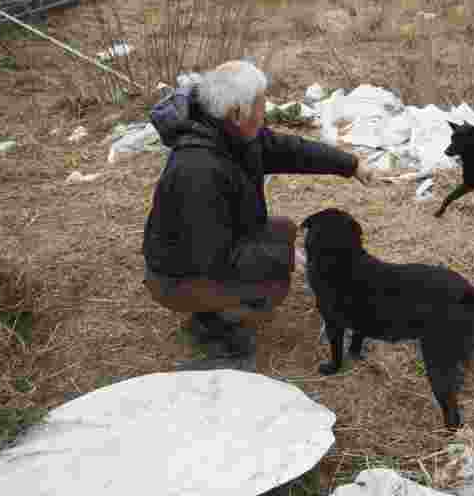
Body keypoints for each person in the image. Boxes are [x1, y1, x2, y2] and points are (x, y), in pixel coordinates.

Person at [142, 59, 372, 362]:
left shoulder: (228, 131)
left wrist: (350, 165)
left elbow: (290, 150)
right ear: (237, 113)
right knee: (273, 281)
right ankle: (211, 325)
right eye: (261, 106)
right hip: (176, 275)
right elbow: (209, 260)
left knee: (285, 231)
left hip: (211, 245)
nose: (264, 114)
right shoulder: (198, 170)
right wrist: (285, 258)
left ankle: (216, 305)